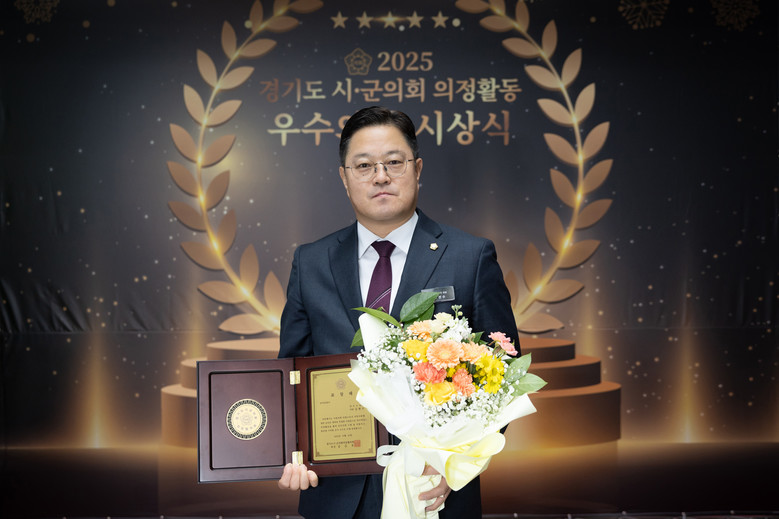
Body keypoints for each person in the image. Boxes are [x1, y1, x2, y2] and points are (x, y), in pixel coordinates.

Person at [277, 106, 519, 519]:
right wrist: (291, 450)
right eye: (364, 166)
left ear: (417, 169)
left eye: (394, 162)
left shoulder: (470, 256)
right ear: (344, 177)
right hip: (335, 492)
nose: (380, 176)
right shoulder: (311, 261)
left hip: (434, 488)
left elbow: (504, 374)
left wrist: (456, 462)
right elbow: (291, 374)